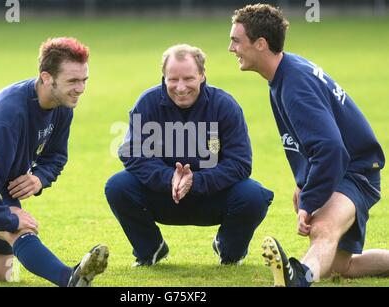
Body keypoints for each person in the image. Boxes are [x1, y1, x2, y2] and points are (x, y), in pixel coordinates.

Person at [228, 4, 387, 287]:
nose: (231, 48)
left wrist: (310, 200)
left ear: (261, 44)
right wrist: (306, 183)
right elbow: (315, 142)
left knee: (323, 229)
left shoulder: (294, 83)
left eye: (236, 40)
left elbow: (331, 148)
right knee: (341, 265)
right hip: (347, 168)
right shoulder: (286, 72)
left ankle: (298, 278)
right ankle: (308, 271)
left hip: (354, 172)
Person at [0, 37, 108, 287]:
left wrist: (39, 178)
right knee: (19, 231)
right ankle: (69, 279)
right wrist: (8, 218)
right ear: (47, 77)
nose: (80, 88)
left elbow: (56, 156)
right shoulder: (9, 115)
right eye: (72, 81)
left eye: (84, 80)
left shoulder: (62, 107)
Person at [105, 44, 274, 267]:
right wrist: (169, 178)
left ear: (202, 76)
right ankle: (150, 249)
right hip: (164, 194)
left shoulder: (225, 106)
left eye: (188, 78)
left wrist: (195, 181)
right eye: (172, 79)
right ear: (163, 77)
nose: (180, 87)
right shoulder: (147, 104)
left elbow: (240, 163)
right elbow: (133, 155)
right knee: (118, 186)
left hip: (212, 196)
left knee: (254, 195)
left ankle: (229, 249)